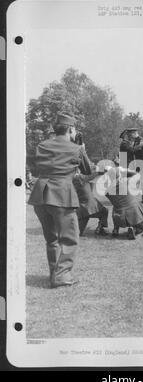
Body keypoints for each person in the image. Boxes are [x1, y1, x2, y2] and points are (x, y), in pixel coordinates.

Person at [28, 113, 92, 288]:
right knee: (70, 239)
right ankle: (62, 276)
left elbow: (37, 166)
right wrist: (81, 149)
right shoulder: (76, 148)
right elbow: (87, 170)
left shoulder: (42, 145)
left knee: (52, 239)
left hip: (40, 194)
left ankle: (53, 273)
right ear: (71, 129)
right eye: (74, 129)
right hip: (61, 195)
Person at [104, 165, 143, 240]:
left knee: (115, 207)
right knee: (138, 204)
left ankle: (116, 229)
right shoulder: (126, 181)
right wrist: (124, 170)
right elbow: (137, 175)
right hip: (133, 214)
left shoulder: (106, 190)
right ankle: (135, 229)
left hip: (119, 217)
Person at [73, 170, 109, 236]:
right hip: (90, 207)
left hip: (81, 210)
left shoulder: (71, 179)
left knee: (78, 233)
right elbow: (91, 176)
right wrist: (101, 172)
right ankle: (100, 228)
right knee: (105, 211)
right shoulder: (79, 177)